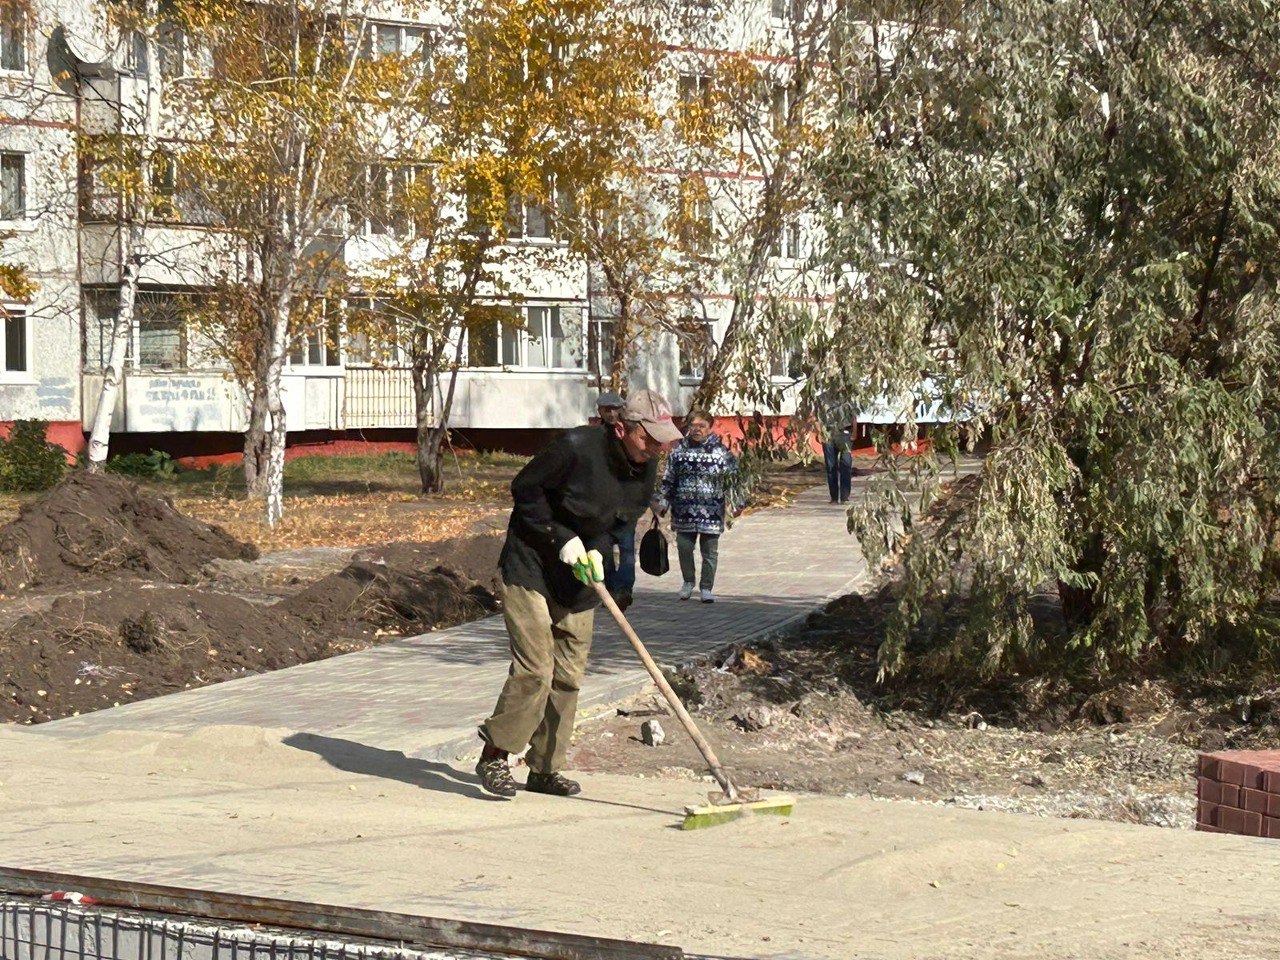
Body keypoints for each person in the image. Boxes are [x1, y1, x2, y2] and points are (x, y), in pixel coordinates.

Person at [474, 390, 681, 799]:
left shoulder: (645, 465)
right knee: (536, 669)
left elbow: (619, 519)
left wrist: (598, 553)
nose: (657, 447)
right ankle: (494, 757)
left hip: (580, 576)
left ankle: (544, 769)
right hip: (531, 564)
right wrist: (562, 539)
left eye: (662, 440)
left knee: (568, 675)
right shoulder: (574, 448)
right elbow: (525, 491)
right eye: (650, 438)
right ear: (621, 428)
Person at [654, 408, 737, 604]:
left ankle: (706, 588)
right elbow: (669, 478)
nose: (697, 429)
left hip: (711, 510)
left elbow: (734, 481)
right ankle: (688, 582)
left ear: (710, 428)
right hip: (684, 509)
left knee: (709, 551)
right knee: (684, 547)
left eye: (702, 426)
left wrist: (737, 503)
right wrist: (663, 500)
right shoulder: (679, 451)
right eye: (693, 425)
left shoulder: (721, 453)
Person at [594, 391, 637, 611]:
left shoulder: (631, 433)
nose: (611, 413)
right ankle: (611, 592)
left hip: (627, 500)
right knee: (604, 549)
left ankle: (624, 590)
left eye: (614, 409)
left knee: (627, 547)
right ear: (599, 411)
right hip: (603, 503)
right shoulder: (594, 436)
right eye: (606, 410)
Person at [823, 421, 854, 504]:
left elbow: (854, 414)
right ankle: (834, 497)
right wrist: (819, 432)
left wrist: (855, 431)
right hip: (828, 432)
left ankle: (845, 497)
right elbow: (817, 413)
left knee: (846, 466)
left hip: (845, 433)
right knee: (830, 467)